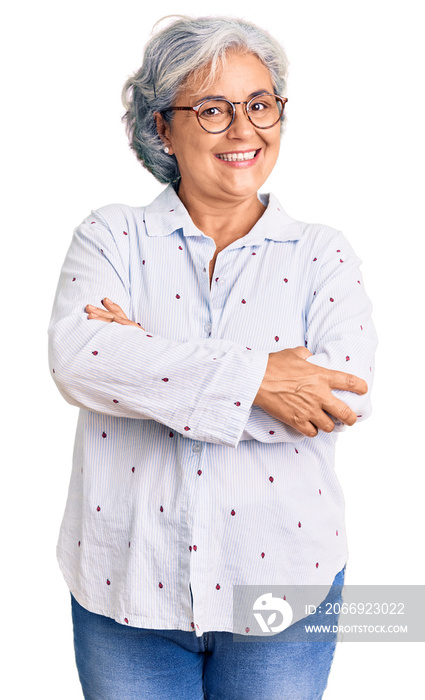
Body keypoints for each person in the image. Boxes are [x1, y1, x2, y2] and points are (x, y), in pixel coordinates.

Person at [48, 14, 378, 700]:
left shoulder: (323, 253)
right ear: (161, 127)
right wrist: (262, 378)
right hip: (125, 586)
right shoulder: (112, 235)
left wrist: (146, 365)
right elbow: (80, 359)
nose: (243, 129)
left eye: (259, 105)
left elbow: (342, 395)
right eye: (212, 108)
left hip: (283, 589)